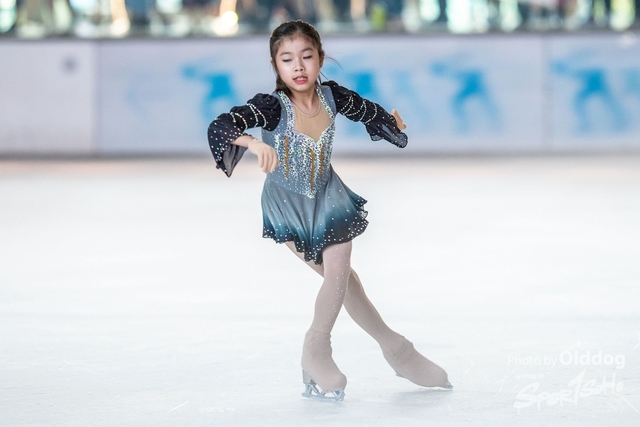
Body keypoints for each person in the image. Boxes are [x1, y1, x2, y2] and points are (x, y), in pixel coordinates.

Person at [207, 19, 451, 401]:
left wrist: (390, 121)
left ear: (320, 58)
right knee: (343, 281)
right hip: (288, 204)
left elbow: (366, 111)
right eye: (287, 59)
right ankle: (391, 349)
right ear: (275, 66)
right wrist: (253, 143)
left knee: (341, 274)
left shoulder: (333, 96)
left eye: (306, 56)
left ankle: (342, 350)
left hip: (329, 195)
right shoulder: (271, 108)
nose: (298, 66)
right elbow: (222, 124)